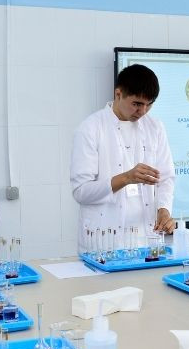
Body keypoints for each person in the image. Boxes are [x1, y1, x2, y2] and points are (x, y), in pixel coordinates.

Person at [70, 64, 176, 252]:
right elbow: (81, 191)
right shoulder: (90, 128)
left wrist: (163, 210)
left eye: (149, 104)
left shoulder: (155, 127)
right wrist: (126, 178)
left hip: (146, 239)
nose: (143, 111)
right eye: (137, 104)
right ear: (118, 94)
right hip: (103, 242)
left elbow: (166, 177)